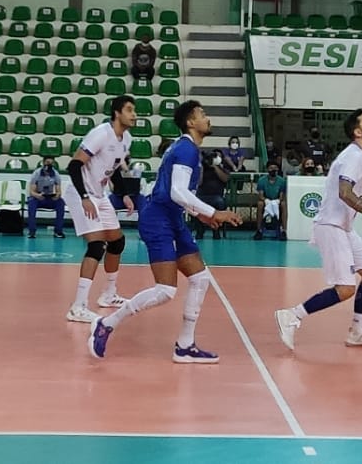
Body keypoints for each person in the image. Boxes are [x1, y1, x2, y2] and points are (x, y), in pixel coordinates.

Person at [89, 101, 243, 363]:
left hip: (172, 217)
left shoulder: (187, 149)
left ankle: (185, 346)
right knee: (165, 290)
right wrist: (214, 212)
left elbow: (180, 194)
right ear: (190, 123)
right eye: (202, 115)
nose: (207, 118)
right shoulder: (186, 150)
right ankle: (107, 324)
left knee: (200, 278)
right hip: (157, 218)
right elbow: (177, 192)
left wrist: (202, 216)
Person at [274, 110, 362, 351]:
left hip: (345, 227)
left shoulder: (361, 157)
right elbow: (345, 192)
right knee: (346, 288)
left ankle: (358, 331)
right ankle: (292, 315)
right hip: (331, 226)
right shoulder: (353, 156)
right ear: (358, 132)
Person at [63, 96, 136, 323]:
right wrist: (84, 196)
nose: (134, 115)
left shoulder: (127, 139)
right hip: (80, 193)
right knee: (96, 245)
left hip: (99, 194)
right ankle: (78, 306)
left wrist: (123, 194)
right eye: (130, 110)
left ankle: (108, 295)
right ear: (116, 113)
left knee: (117, 242)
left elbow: (112, 169)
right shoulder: (100, 134)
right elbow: (74, 165)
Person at [27, 155, 68, 240]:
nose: (49, 165)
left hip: (50, 198)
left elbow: (58, 191)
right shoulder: (37, 173)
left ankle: (58, 231)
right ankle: (32, 231)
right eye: (47, 162)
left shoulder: (55, 174)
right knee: (31, 203)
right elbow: (31, 191)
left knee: (61, 202)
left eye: (51, 163)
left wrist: (57, 195)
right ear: (43, 163)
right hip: (38, 198)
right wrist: (37, 195)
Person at [193, 151, 231, 240]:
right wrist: (202, 167)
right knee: (193, 204)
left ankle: (216, 230)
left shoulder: (223, 168)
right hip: (202, 196)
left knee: (220, 203)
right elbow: (199, 182)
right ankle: (199, 230)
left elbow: (225, 179)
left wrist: (215, 166)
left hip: (216, 196)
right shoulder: (201, 168)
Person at [255, 163, 287, 240]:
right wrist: (266, 200)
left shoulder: (282, 181)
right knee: (260, 204)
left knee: (283, 204)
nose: (273, 170)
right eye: (271, 168)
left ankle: (284, 231)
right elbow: (261, 195)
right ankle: (258, 230)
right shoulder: (262, 180)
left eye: (275, 168)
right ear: (267, 169)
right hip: (266, 200)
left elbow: (281, 196)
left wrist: (277, 201)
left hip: (277, 200)